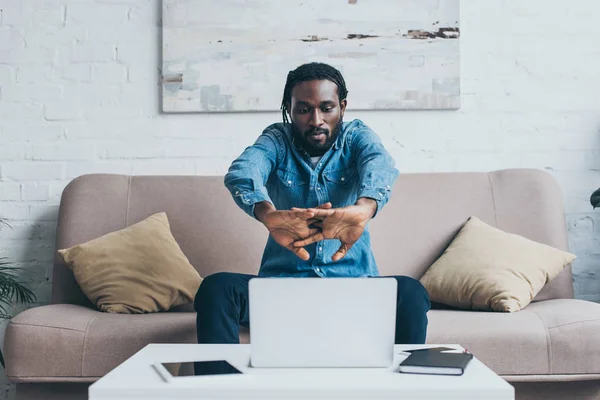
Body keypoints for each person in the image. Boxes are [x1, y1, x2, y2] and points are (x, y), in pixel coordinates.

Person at [194, 62, 430, 351]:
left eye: (326, 108)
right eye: (304, 109)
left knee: (412, 292)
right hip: (281, 291)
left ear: (342, 108)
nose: (316, 119)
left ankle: (403, 391)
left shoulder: (356, 137)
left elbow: (379, 164)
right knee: (216, 289)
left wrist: (364, 208)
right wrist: (268, 215)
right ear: (289, 110)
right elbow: (244, 172)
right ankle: (221, 390)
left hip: (353, 289)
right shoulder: (277, 140)